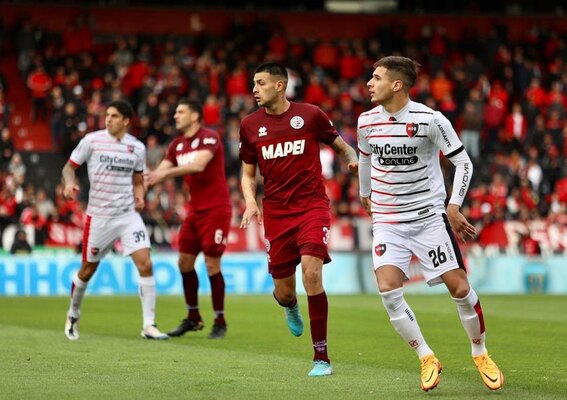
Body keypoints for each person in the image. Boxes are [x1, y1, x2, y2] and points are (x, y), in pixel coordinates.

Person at [357, 56, 504, 392]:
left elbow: (463, 162)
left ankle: (480, 352)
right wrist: (365, 194)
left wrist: (454, 206)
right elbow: (366, 158)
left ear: (397, 85)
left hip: (428, 219)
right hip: (388, 220)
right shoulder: (366, 122)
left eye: (376, 78)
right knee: (388, 290)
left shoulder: (430, 120)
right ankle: (426, 356)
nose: (369, 83)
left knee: (461, 290)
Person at [239, 62, 358, 377]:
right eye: (253, 83)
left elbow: (342, 146)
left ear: (279, 86)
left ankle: (321, 357)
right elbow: (247, 174)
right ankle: (290, 307)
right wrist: (251, 202)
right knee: (285, 292)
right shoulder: (249, 125)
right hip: (276, 213)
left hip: (311, 207)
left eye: (260, 82)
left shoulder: (310, 115)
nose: (254, 89)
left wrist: (353, 161)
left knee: (312, 276)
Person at [62, 99, 168, 341]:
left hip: (128, 215)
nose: (108, 119)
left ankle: (149, 325)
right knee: (88, 269)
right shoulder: (92, 140)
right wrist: (69, 182)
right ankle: (73, 314)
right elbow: (69, 167)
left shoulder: (137, 148)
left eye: (114, 116)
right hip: (99, 216)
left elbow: (138, 180)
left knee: (146, 264)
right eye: (107, 115)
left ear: (126, 121)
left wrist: (140, 197)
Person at [147, 98, 231, 339]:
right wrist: (146, 178)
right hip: (194, 210)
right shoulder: (176, 145)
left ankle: (220, 321)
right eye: (175, 111)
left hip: (216, 208)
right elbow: (161, 170)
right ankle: (193, 317)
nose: (175, 115)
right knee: (184, 262)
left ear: (195, 116)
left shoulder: (209, 137)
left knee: (212, 264)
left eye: (180, 111)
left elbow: (197, 166)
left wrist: (162, 174)